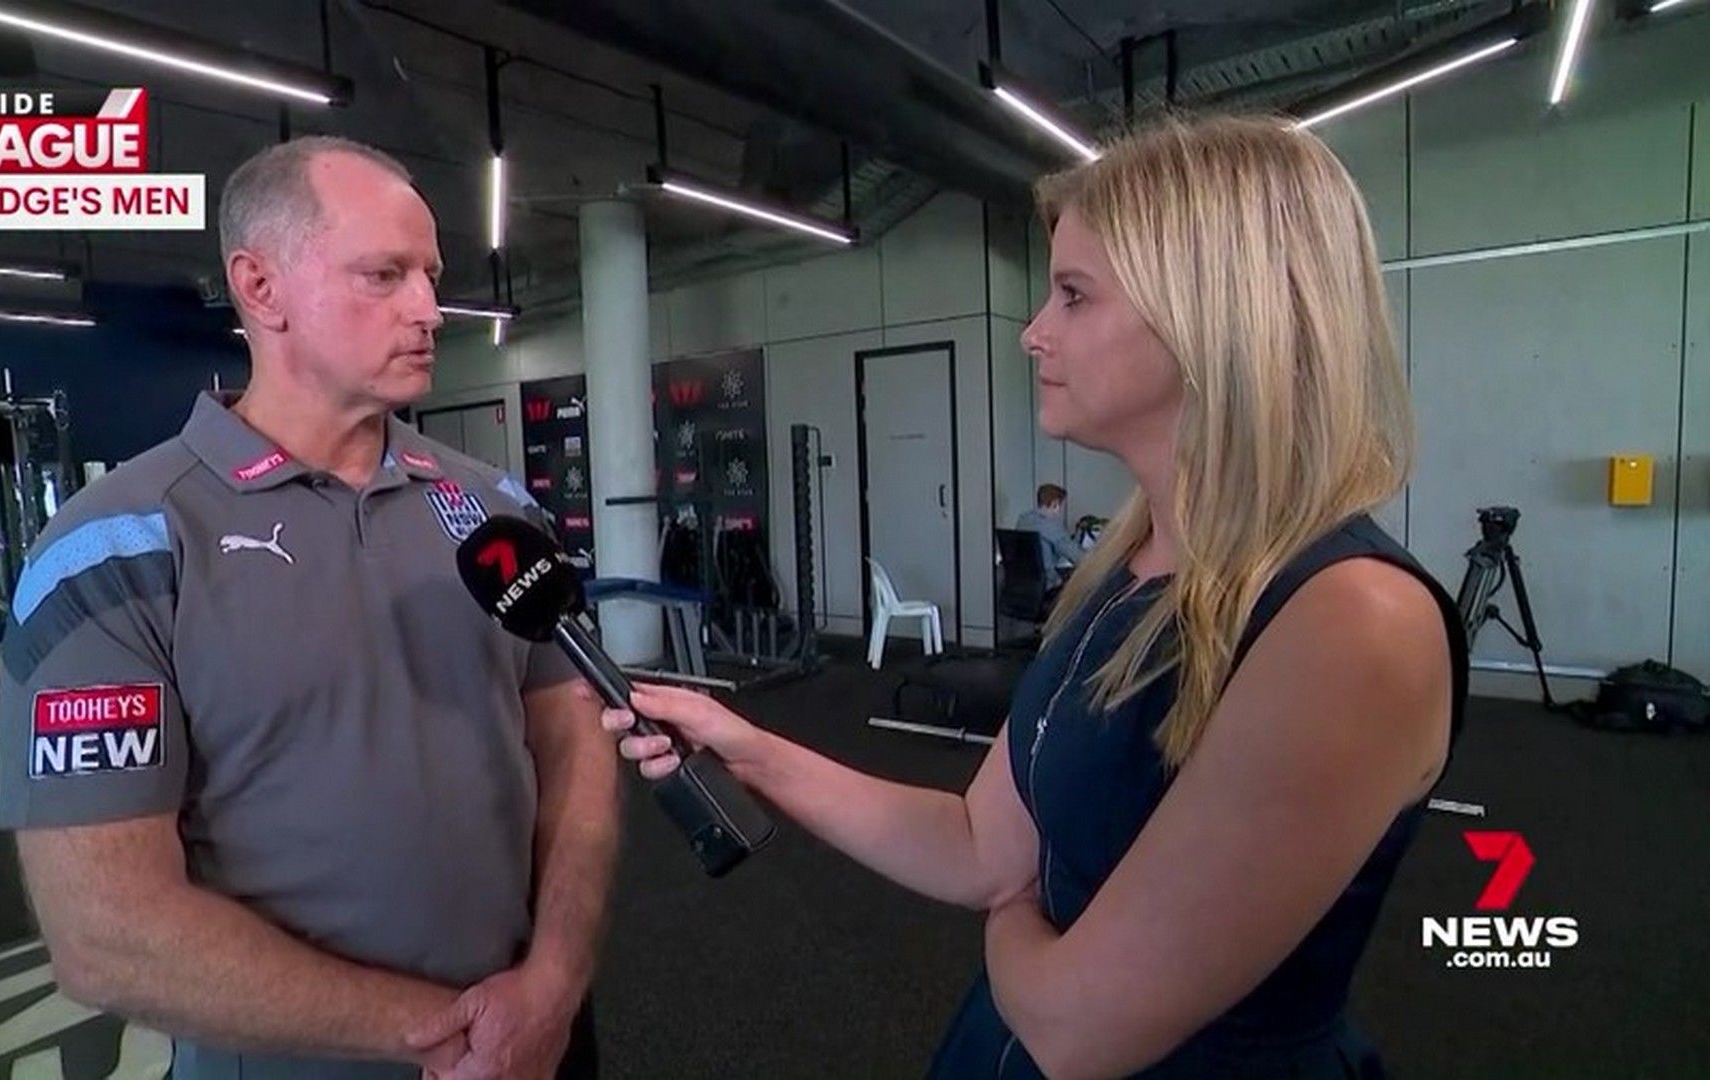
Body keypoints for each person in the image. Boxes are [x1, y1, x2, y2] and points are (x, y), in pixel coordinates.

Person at [602, 115, 1466, 1078]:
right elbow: (980, 844)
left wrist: (1012, 915)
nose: (1033, 333)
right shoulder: (1128, 565)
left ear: (1212, 317)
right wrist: (749, 749)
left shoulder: (1353, 625)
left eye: (1074, 295)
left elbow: (1075, 1026)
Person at [0, 135, 618, 1080]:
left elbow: (577, 744)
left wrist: (556, 982)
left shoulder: (496, 509)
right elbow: (107, 932)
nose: (428, 308)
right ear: (262, 288)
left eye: (431, 276)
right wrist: (455, 1036)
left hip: (539, 1036)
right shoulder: (113, 551)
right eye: (384, 275)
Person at [1015, 483, 1079, 589]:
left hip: (1022, 583)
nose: (1059, 511)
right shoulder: (1051, 526)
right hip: (1049, 583)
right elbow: (1075, 555)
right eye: (1059, 506)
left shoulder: (1023, 519)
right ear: (1055, 503)